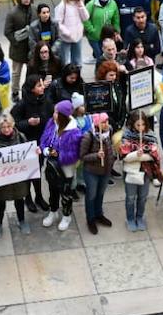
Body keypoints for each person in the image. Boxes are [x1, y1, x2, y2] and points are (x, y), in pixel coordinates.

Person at [39, 99, 83, 231]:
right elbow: (44, 140)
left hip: (66, 169)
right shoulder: (52, 123)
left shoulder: (74, 133)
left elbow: (74, 154)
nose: (54, 115)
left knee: (66, 193)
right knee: (52, 190)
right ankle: (53, 211)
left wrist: (59, 155)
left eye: (57, 113)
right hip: (52, 165)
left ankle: (66, 215)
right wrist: (45, 150)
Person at [119, 109, 161, 231]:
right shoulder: (126, 135)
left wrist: (139, 156)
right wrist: (137, 155)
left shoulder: (151, 135)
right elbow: (124, 157)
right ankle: (130, 218)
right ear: (132, 124)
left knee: (143, 197)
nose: (141, 127)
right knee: (130, 197)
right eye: (138, 125)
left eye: (143, 124)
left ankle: (140, 217)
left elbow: (154, 155)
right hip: (131, 172)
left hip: (146, 172)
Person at [78, 112, 115, 234]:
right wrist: (96, 155)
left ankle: (99, 214)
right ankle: (91, 218)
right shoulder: (88, 136)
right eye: (103, 122)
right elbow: (82, 156)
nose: (106, 124)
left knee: (100, 194)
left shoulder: (109, 132)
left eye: (107, 121)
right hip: (92, 171)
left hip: (106, 170)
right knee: (91, 195)